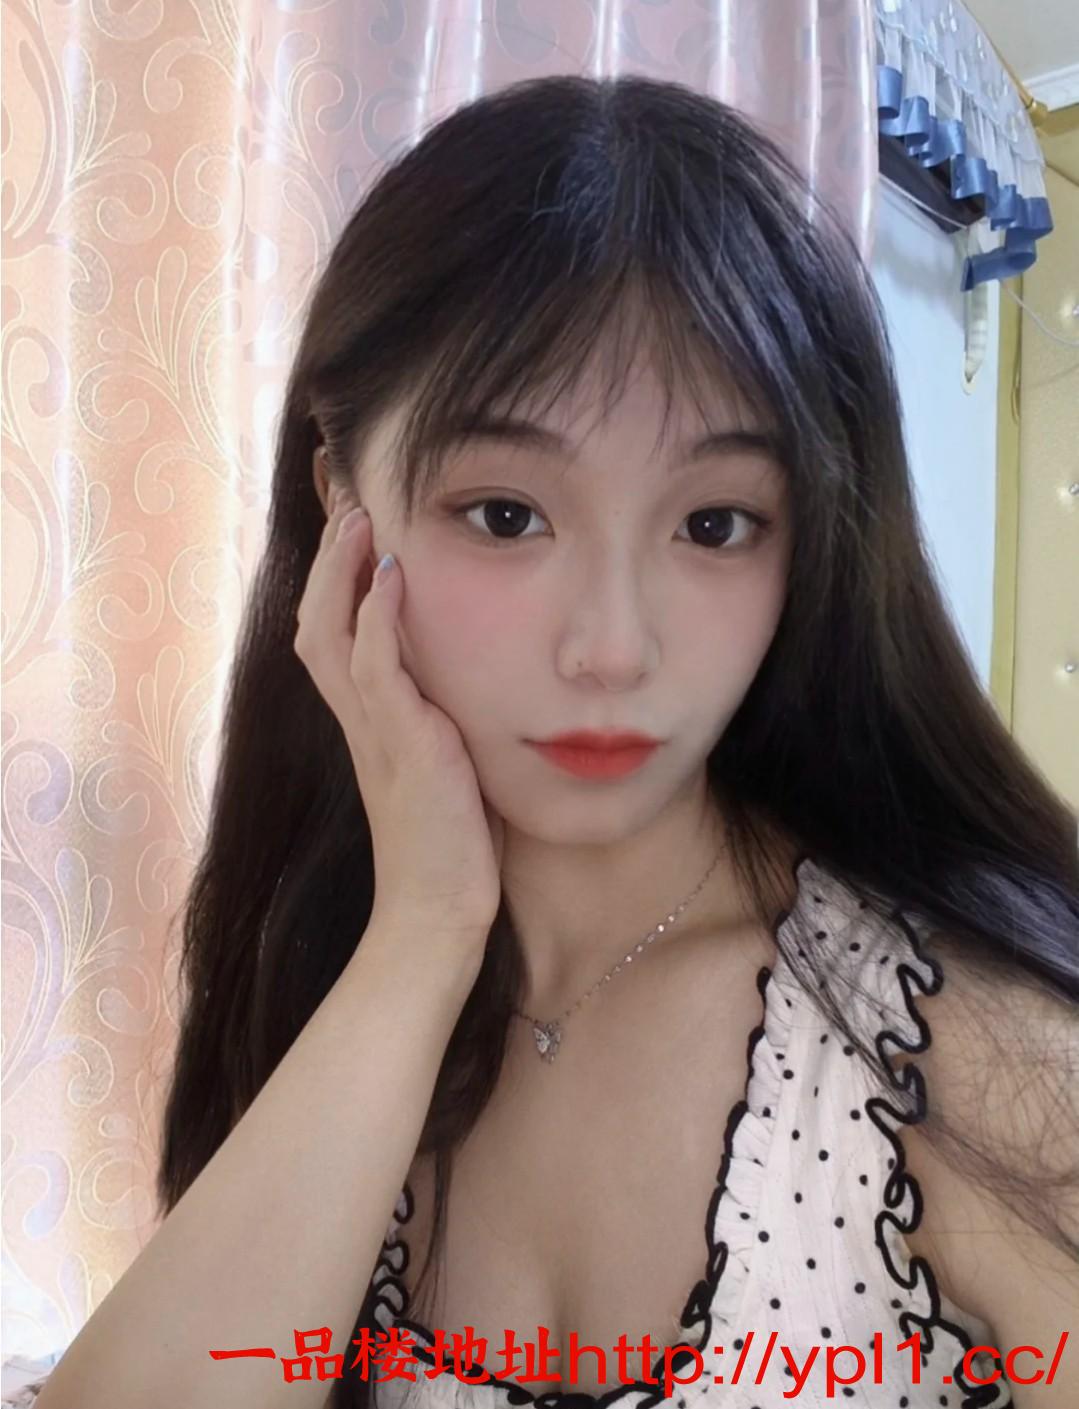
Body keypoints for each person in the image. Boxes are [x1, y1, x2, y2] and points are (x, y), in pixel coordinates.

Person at [23, 74, 1079, 1409]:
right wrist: (423, 935)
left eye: (713, 524)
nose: (613, 648)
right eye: (507, 515)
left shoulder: (969, 1059)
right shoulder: (321, 973)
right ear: (345, 505)